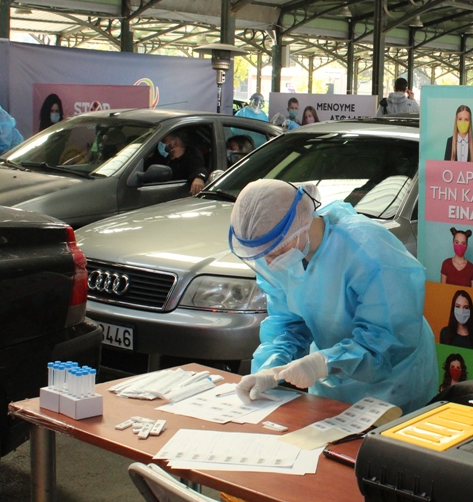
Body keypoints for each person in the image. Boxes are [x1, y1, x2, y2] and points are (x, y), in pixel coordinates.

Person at [230, 180, 437, 413]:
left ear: (302, 223)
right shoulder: (279, 254)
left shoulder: (367, 248)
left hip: (394, 380)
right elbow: (287, 324)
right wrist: (269, 369)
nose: (269, 262)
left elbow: (388, 338)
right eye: (262, 255)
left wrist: (323, 362)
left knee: (384, 434)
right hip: (330, 377)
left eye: (275, 250)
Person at [160, 130, 208, 196]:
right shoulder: (165, 158)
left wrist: (199, 178)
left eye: (164, 141)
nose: (161, 144)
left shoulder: (191, 157)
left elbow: (200, 169)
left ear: (176, 143)